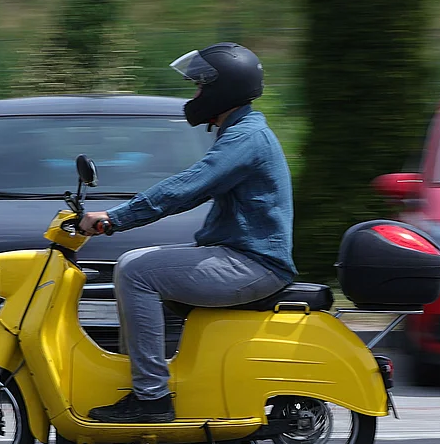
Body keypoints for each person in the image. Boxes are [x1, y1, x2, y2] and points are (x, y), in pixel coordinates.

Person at [79, 43, 296, 423]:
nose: (194, 95)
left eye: (199, 86)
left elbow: (189, 187)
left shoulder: (246, 138)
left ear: (221, 88)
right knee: (132, 262)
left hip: (254, 264)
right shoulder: (242, 132)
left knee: (137, 272)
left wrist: (114, 218)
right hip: (242, 257)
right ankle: (142, 382)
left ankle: (151, 398)